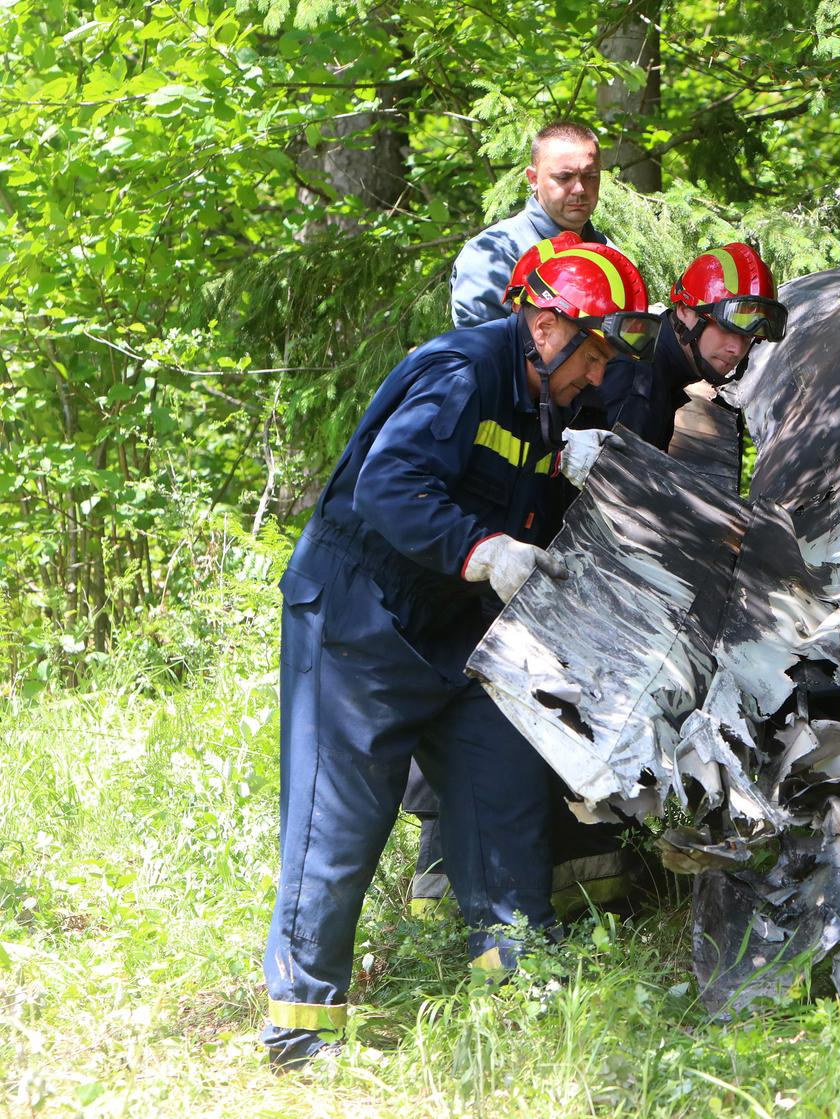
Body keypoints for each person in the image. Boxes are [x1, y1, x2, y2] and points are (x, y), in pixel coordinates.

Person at [262, 236, 658, 1068]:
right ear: (546, 326)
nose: (598, 375)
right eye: (592, 354)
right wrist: (481, 551)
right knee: (341, 821)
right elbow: (389, 485)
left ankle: (519, 979)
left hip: (461, 624)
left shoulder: (553, 400)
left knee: (502, 796)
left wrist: (583, 473)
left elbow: (529, 499)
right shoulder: (464, 369)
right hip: (361, 615)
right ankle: (302, 1027)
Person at [592, 242, 787, 452]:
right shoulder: (637, 380)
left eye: (748, 337)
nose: (737, 349)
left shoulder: (657, 369)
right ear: (685, 310)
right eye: (728, 329)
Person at [450, 119, 609, 330]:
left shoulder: (608, 253)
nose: (579, 188)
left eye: (590, 176)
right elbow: (480, 351)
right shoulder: (493, 253)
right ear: (533, 179)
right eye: (564, 177)